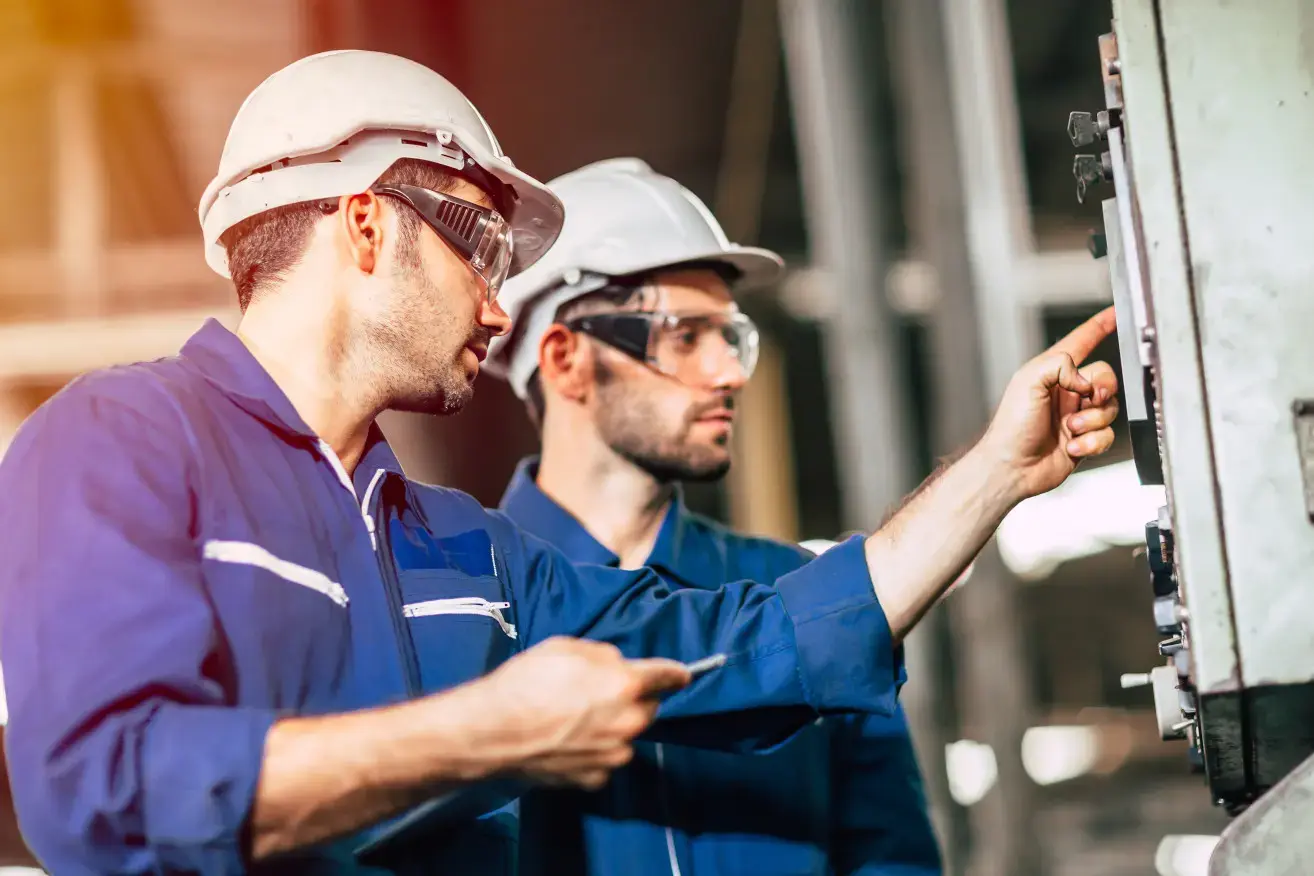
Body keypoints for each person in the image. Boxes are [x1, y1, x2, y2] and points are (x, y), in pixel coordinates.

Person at [0, 50, 1118, 875]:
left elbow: (752, 645)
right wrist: (486, 730)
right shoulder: (121, 443)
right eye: (480, 245)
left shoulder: (466, 546)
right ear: (363, 224)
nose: (498, 303)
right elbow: (103, 793)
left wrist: (997, 472)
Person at [486, 158, 941, 876]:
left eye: (731, 339)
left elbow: (892, 857)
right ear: (566, 359)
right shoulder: (470, 606)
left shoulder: (803, 593)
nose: (729, 372)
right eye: (684, 336)